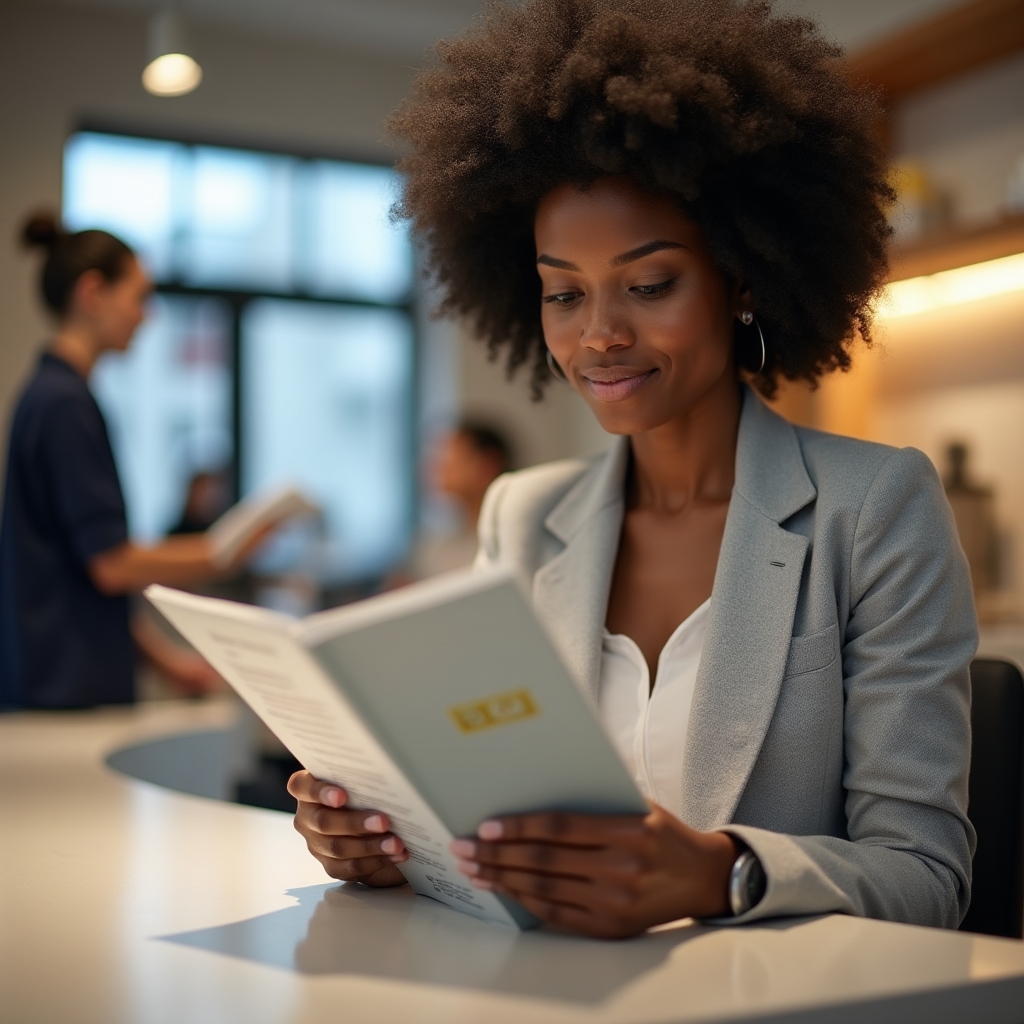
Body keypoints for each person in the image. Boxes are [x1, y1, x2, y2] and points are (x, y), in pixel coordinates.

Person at [288, 0, 977, 938]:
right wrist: (386, 838)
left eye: (650, 286)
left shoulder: (876, 508)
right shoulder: (521, 518)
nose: (601, 336)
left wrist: (717, 873)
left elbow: (928, 878)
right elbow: (490, 823)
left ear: (741, 275)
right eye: (563, 293)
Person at [0, 214, 274, 709]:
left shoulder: (55, 395)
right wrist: (225, 551)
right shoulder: (64, 404)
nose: (146, 316)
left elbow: (85, 573)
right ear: (93, 294)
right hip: (64, 694)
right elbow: (112, 564)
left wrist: (167, 664)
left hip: (64, 683)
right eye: (139, 298)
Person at [406, 421, 513, 579]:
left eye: (449, 456)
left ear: (487, 466)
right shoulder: (438, 548)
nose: (439, 466)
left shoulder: (513, 543)